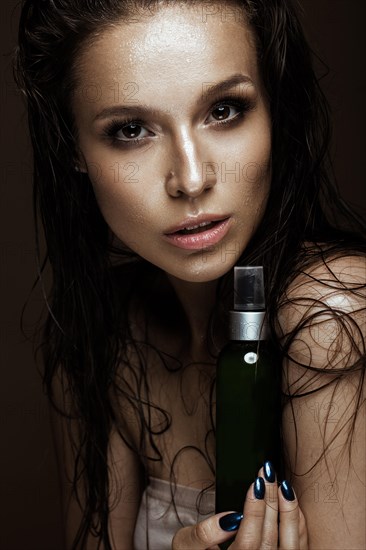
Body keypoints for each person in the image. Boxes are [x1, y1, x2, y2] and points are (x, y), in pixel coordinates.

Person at [14, 0, 365, 548]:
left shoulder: (331, 314)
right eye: (131, 129)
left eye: (224, 110)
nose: (192, 178)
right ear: (73, 148)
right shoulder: (103, 337)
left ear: (274, 108)